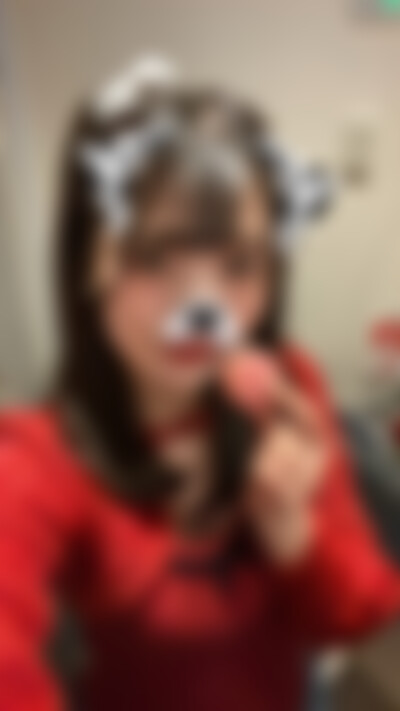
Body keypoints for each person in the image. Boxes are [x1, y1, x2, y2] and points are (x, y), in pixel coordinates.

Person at [0, 60, 398, 711]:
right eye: (152, 257)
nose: (202, 309)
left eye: (239, 264)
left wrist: (295, 533)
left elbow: (359, 612)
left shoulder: (289, 387)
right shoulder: (44, 455)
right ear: (84, 262)